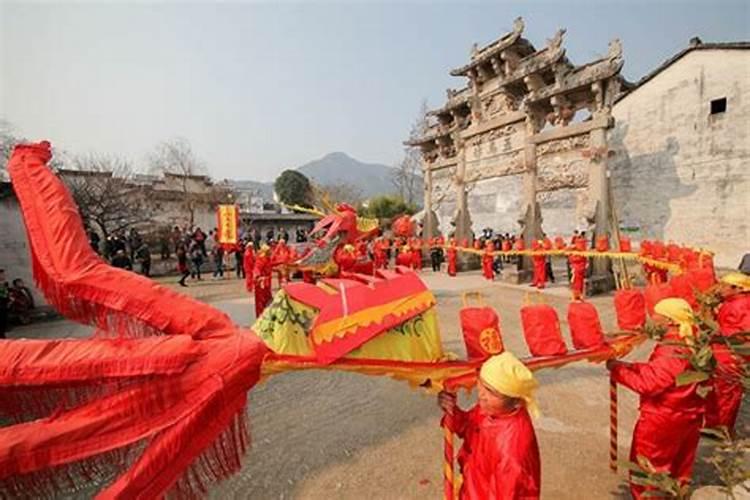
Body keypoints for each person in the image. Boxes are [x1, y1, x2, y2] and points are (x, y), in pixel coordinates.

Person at [607, 298, 705, 499]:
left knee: (650, 469)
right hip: (688, 414)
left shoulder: (672, 349)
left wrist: (618, 371)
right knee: (680, 466)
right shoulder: (692, 339)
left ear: (669, 320)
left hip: (663, 418)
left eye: (656, 315)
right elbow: (663, 374)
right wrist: (629, 367)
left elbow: (650, 384)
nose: (652, 319)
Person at [438, 352, 541, 499]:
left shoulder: (512, 451)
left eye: (492, 392)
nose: (482, 395)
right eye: (482, 384)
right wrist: (451, 410)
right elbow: (469, 425)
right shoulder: (494, 408)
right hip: (472, 488)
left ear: (516, 401)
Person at [705, 272, 750, 434]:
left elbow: (745, 334)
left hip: (731, 356)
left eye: (725, 286)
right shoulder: (733, 302)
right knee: (717, 391)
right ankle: (714, 425)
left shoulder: (743, 305)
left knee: (726, 393)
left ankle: (721, 427)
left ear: (738, 288)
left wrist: (719, 332)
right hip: (723, 352)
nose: (721, 289)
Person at [253, 245, 273, 318]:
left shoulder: (268, 259)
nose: (270, 252)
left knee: (268, 298)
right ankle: (261, 316)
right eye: (268, 251)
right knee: (261, 301)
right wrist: (258, 276)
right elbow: (257, 268)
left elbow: (273, 265)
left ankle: (267, 315)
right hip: (261, 283)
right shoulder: (261, 259)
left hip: (267, 282)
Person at [0, 269, 9, 338]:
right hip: (1, 304)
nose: (3, 275)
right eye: (2, 274)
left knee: (3, 321)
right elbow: (3, 294)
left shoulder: (4, 283)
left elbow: (6, 293)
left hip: (4, 304)